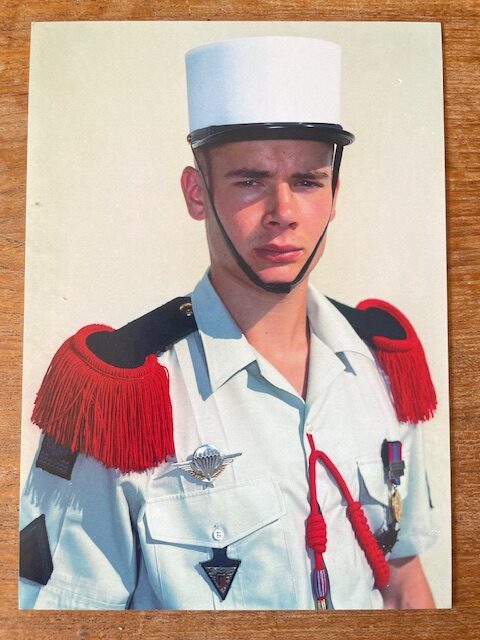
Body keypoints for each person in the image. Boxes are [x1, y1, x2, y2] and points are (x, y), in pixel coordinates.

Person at [19, 36, 438, 610]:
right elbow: (62, 618)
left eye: (308, 181)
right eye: (250, 180)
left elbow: (403, 581)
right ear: (197, 193)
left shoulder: (382, 364)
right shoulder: (118, 400)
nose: (283, 213)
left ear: (335, 194)